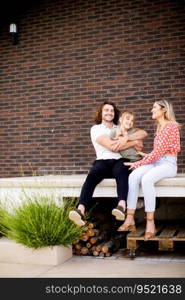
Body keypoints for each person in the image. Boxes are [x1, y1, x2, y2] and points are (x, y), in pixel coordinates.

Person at [69, 101, 147, 226]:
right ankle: (80, 210)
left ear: (114, 114)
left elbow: (142, 133)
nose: (109, 112)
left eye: (112, 110)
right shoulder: (96, 129)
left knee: (122, 170)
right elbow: (112, 147)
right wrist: (132, 142)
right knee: (92, 175)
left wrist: (126, 138)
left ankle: (121, 206)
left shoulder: (119, 127)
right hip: (102, 161)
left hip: (119, 161)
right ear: (101, 113)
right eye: (106, 110)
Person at [118, 100, 181, 241]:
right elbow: (158, 153)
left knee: (146, 179)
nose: (151, 110)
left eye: (154, 107)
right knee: (133, 176)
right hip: (157, 162)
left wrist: (139, 162)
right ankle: (130, 219)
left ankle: (150, 222)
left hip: (168, 165)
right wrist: (146, 157)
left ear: (163, 110)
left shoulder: (170, 126)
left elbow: (161, 153)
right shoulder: (159, 127)